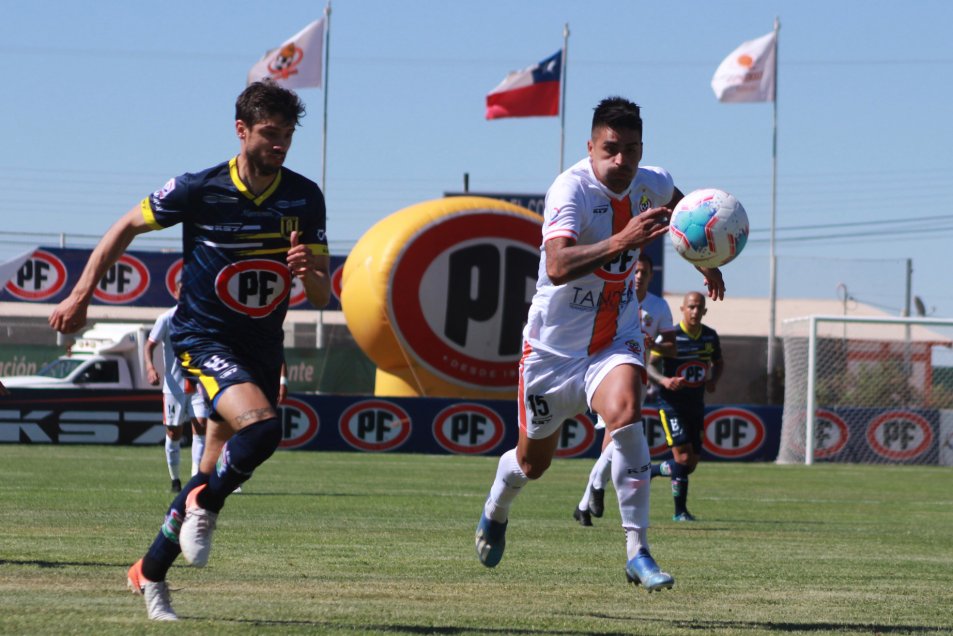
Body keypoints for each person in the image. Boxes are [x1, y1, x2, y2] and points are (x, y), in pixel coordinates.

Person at [49, 80, 330, 621]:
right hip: (203, 339)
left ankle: (150, 574)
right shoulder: (198, 188)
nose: (281, 145)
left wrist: (307, 273)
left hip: (261, 347)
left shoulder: (304, 196)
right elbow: (124, 226)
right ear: (241, 131)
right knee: (264, 429)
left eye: (288, 135)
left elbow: (320, 293)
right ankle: (206, 504)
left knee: (208, 472)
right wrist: (81, 293)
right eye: (270, 134)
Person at [474, 96, 724, 592]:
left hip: (614, 338)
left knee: (628, 415)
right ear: (591, 147)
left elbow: (682, 209)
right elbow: (557, 266)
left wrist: (702, 252)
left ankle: (639, 551)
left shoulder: (650, 181)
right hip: (551, 354)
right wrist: (622, 240)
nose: (621, 161)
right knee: (531, 464)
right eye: (611, 149)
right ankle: (496, 508)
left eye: (631, 150)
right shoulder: (569, 190)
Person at [573, 252, 673, 526]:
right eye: (636, 271)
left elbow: (672, 345)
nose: (639, 276)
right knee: (620, 436)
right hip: (609, 376)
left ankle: (584, 503)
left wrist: (655, 345)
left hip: (638, 378)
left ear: (651, 276)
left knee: (615, 439)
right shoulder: (615, 296)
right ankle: (594, 488)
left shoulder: (659, 307)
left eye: (645, 272)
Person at [648, 291, 724, 521]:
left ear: (704, 311)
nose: (694, 311)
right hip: (671, 405)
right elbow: (649, 366)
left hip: (696, 405)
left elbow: (718, 362)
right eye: (690, 307)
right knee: (681, 459)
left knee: (690, 464)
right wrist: (664, 381)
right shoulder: (671, 337)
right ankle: (680, 512)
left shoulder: (710, 337)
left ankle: (650, 471)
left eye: (698, 307)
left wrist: (713, 380)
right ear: (682, 309)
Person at [145, 280, 209, 493]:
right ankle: (175, 479)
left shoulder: (202, 317)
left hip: (199, 384)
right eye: (182, 290)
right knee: (174, 434)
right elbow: (149, 345)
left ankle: (195, 481)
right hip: (174, 387)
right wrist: (150, 367)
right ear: (175, 292)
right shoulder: (166, 318)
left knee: (201, 428)